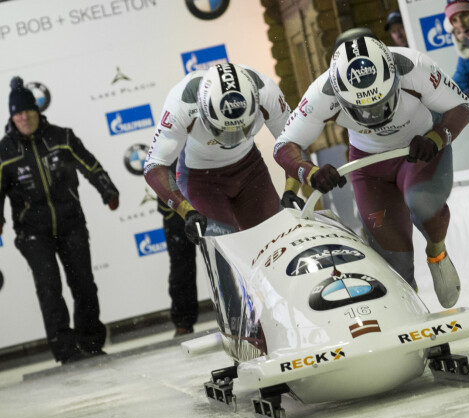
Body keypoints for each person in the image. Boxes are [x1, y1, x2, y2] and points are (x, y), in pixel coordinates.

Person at [274, 29, 469, 309]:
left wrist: (436, 137)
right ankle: (412, 311)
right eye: (362, 108)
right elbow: (284, 145)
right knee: (396, 259)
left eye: (381, 102)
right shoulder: (322, 92)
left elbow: (462, 107)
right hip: (370, 166)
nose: (374, 116)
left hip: (418, 150)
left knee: (423, 205)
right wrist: (311, 172)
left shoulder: (414, 66)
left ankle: (436, 251)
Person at [0, 77, 120, 364]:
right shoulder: (4, 151)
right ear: (12, 117)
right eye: (18, 114)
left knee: (84, 285)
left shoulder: (61, 136)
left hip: (71, 224)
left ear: (37, 111)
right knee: (49, 288)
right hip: (32, 232)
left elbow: (90, 164)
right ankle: (66, 351)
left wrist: (108, 190)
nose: (24, 118)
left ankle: (91, 343)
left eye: (28, 111)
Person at [144, 63, 292, 246]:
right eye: (224, 131)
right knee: (227, 250)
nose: (231, 139)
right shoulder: (182, 103)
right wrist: (187, 211)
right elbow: (154, 165)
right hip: (201, 181)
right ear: (204, 112)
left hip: (250, 171)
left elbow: (293, 140)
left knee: (276, 240)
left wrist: (291, 189)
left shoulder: (266, 91)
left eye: (240, 129)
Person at [157, 189, 198, 337]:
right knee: (180, 267)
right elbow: (154, 169)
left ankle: (237, 312)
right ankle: (183, 322)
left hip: (206, 195)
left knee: (223, 259)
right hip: (174, 206)